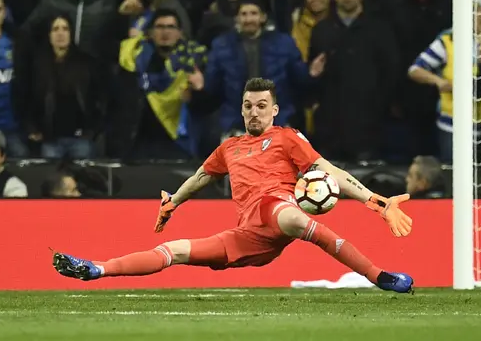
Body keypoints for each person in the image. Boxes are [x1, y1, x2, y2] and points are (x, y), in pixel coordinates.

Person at [52, 77, 415, 294]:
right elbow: (201, 177)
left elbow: (328, 169)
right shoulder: (229, 147)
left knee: (291, 217)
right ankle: (99, 268)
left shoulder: (287, 138)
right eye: (247, 106)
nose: (254, 112)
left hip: (277, 209)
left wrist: (375, 202)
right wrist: (172, 202)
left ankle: (378, 276)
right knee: (172, 250)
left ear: (274, 110)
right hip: (249, 236)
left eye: (261, 106)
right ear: (241, 111)